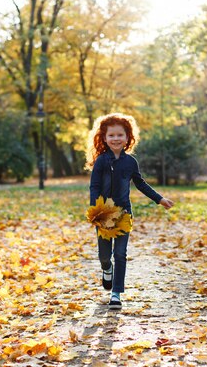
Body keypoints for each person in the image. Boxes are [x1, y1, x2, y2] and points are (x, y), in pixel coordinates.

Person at [85, 112, 174, 309]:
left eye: (120, 135)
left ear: (127, 138)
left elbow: (140, 184)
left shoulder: (130, 162)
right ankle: (106, 270)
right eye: (111, 135)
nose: (116, 139)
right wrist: (96, 208)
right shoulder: (101, 161)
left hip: (124, 214)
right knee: (105, 256)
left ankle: (116, 294)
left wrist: (159, 199)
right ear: (104, 138)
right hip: (104, 214)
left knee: (120, 254)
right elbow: (94, 186)